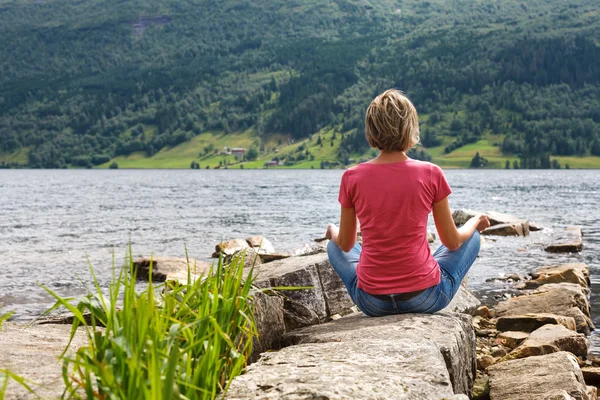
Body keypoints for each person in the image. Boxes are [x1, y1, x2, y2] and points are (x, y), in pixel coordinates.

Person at [325, 89, 490, 317]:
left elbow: (345, 244)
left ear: (371, 130)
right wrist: (474, 222)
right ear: (410, 128)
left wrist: (333, 230)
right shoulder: (431, 173)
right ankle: (418, 273)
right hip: (426, 298)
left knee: (333, 245)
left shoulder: (351, 177)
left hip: (372, 302)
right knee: (471, 237)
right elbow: (452, 242)